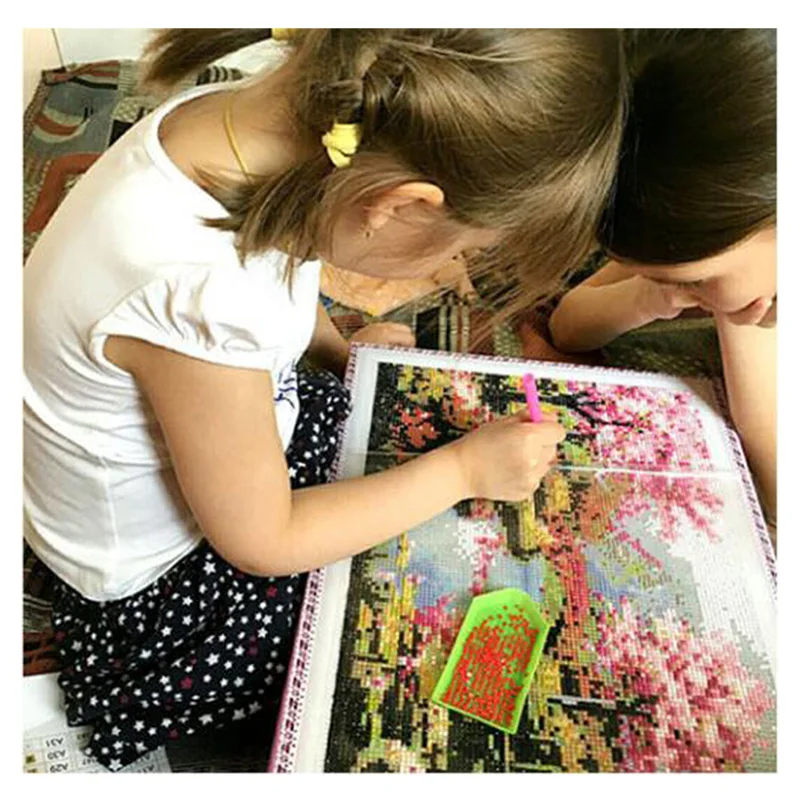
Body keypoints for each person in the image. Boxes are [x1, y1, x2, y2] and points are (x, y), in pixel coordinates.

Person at [23, 28, 625, 769]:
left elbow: (279, 251)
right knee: (388, 609)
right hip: (150, 580)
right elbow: (263, 543)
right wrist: (463, 472)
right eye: (461, 249)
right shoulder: (202, 294)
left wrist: (341, 352)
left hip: (202, 428)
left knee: (376, 447)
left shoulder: (237, 130)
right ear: (399, 204)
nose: (453, 268)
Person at [547, 28, 776, 527]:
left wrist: (738, 322)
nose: (681, 290)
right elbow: (565, 328)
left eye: (696, 278)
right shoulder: (705, 242)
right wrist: (647, 297)